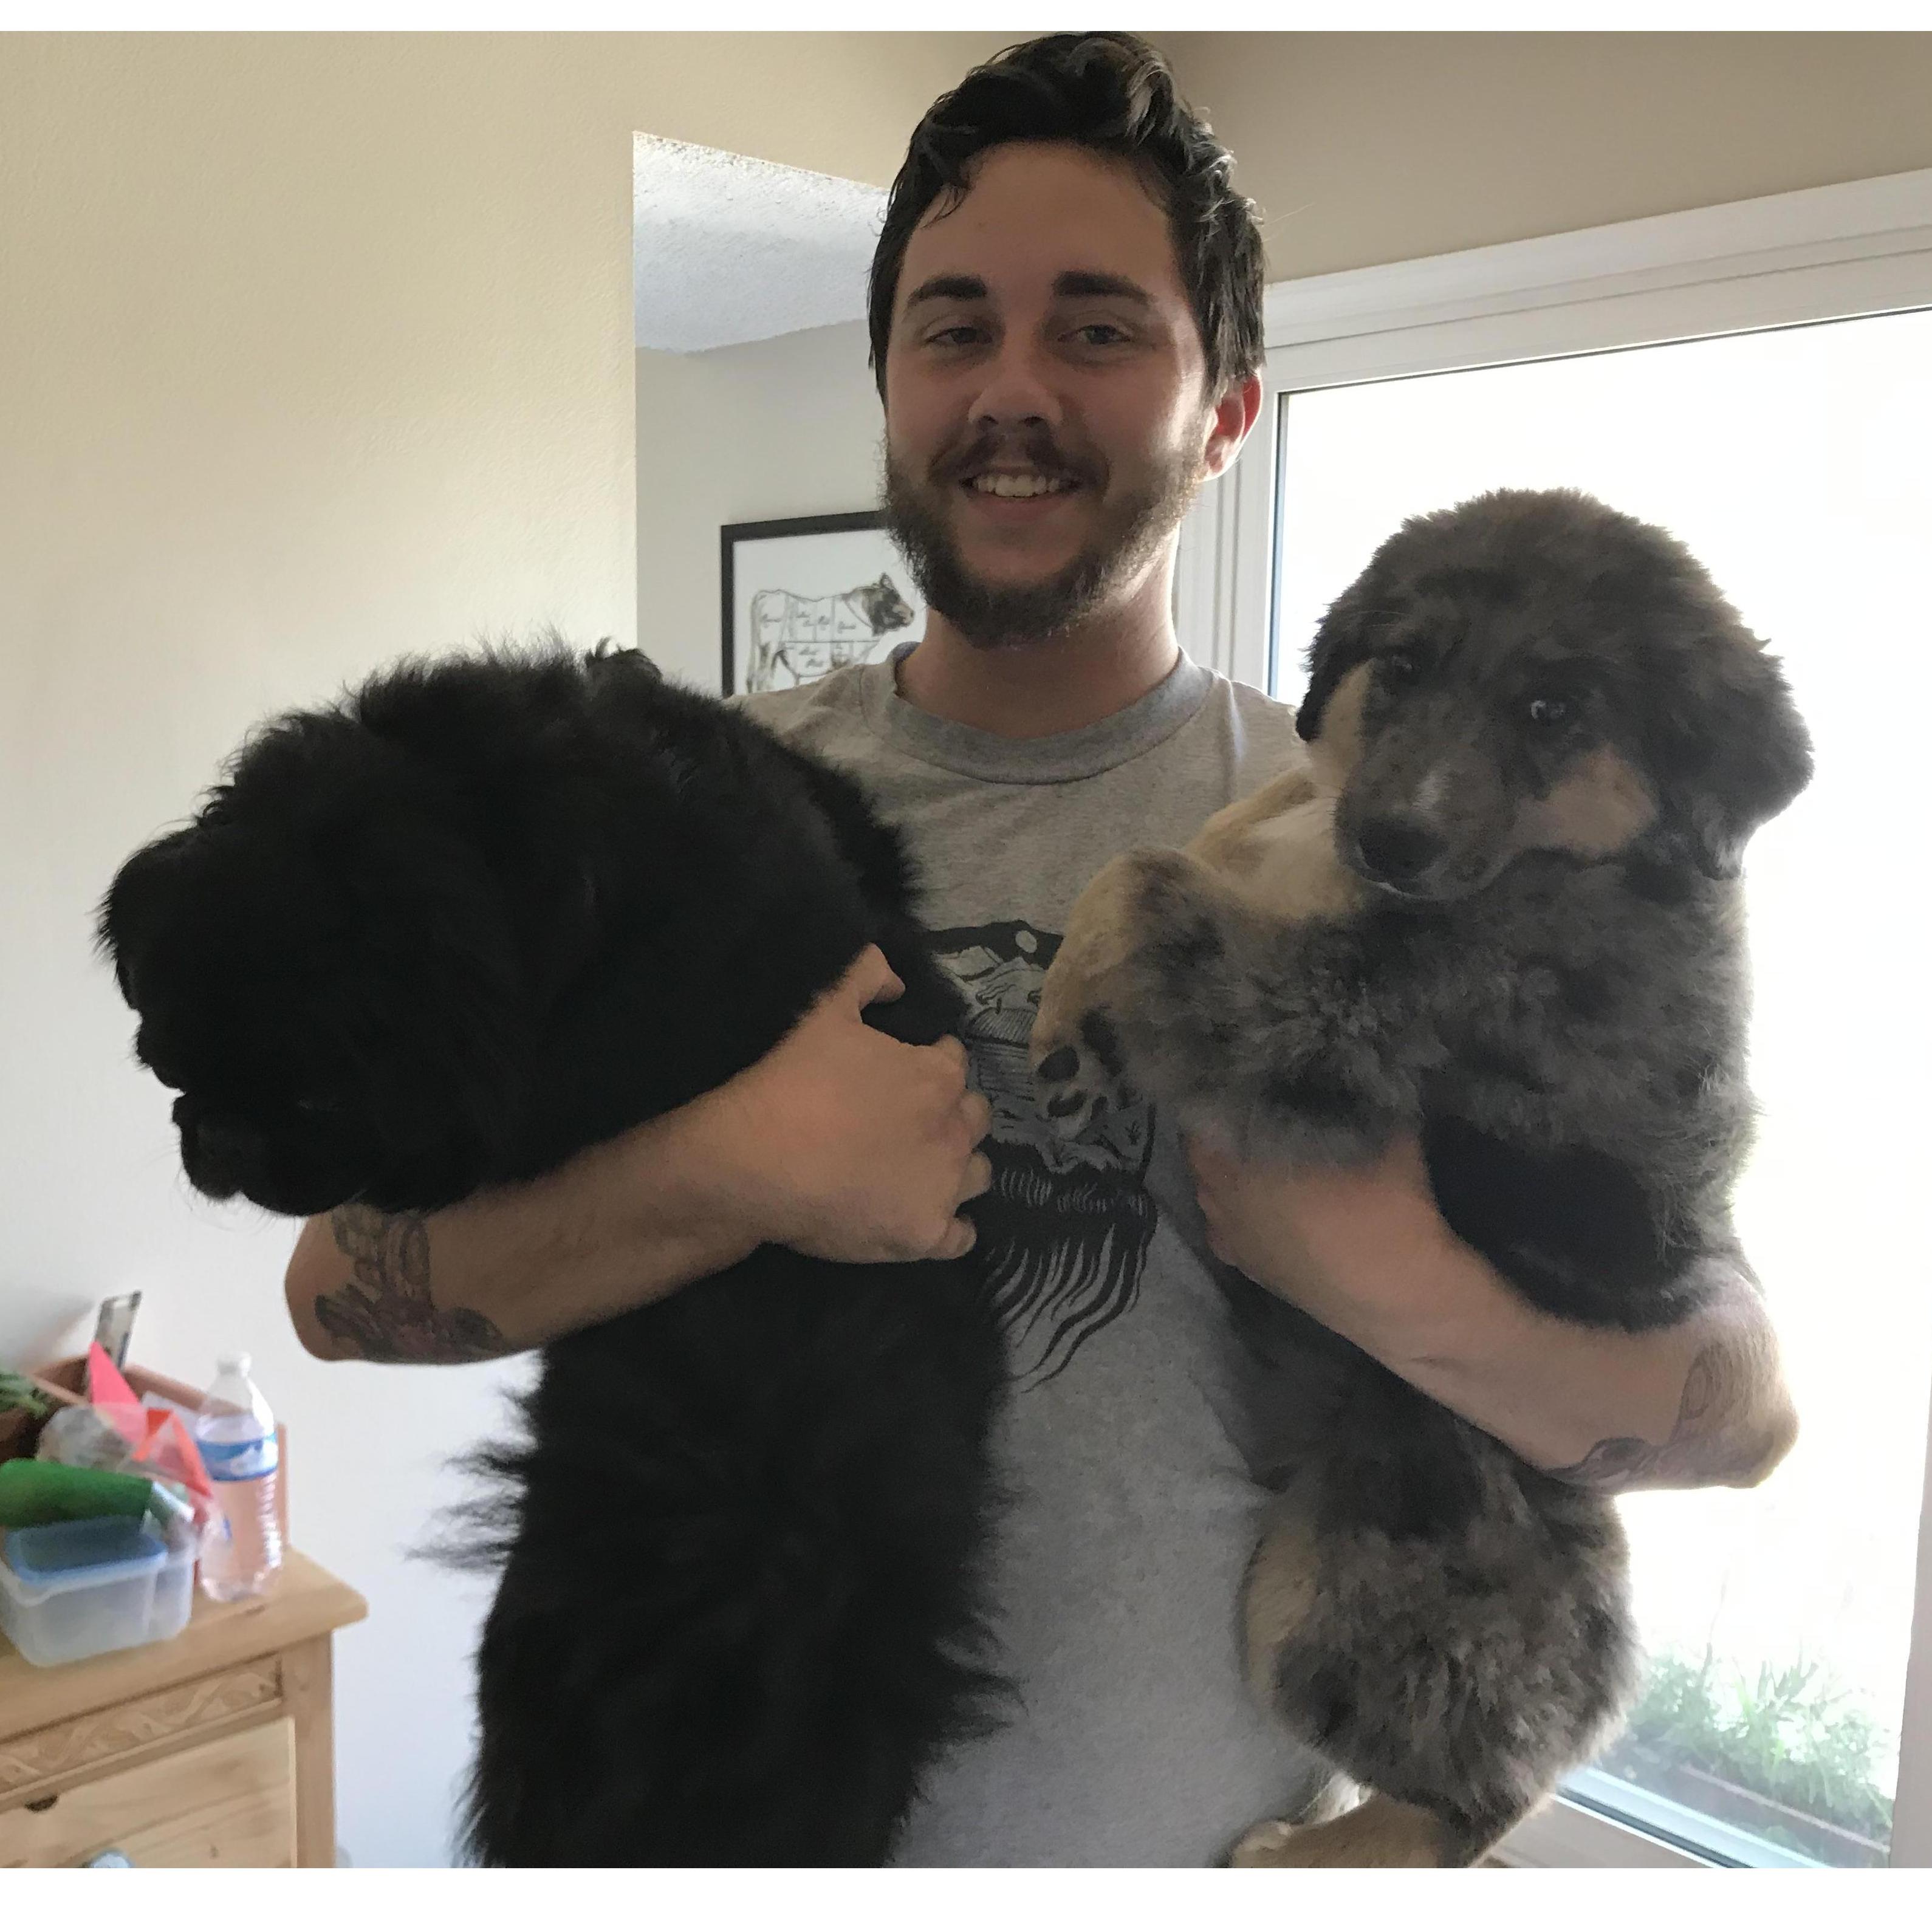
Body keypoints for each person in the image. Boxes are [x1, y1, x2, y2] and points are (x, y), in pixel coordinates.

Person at [284, 32, 1798, 1866]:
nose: (1012, 390)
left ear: (1225, 410)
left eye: (1095, 328)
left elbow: (1733, 1406)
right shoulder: (676, 806)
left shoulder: (1388, 841)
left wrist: (1388, 1274)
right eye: (954, 329)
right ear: (887, 382)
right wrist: (730, 1172)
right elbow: (340, 1284)